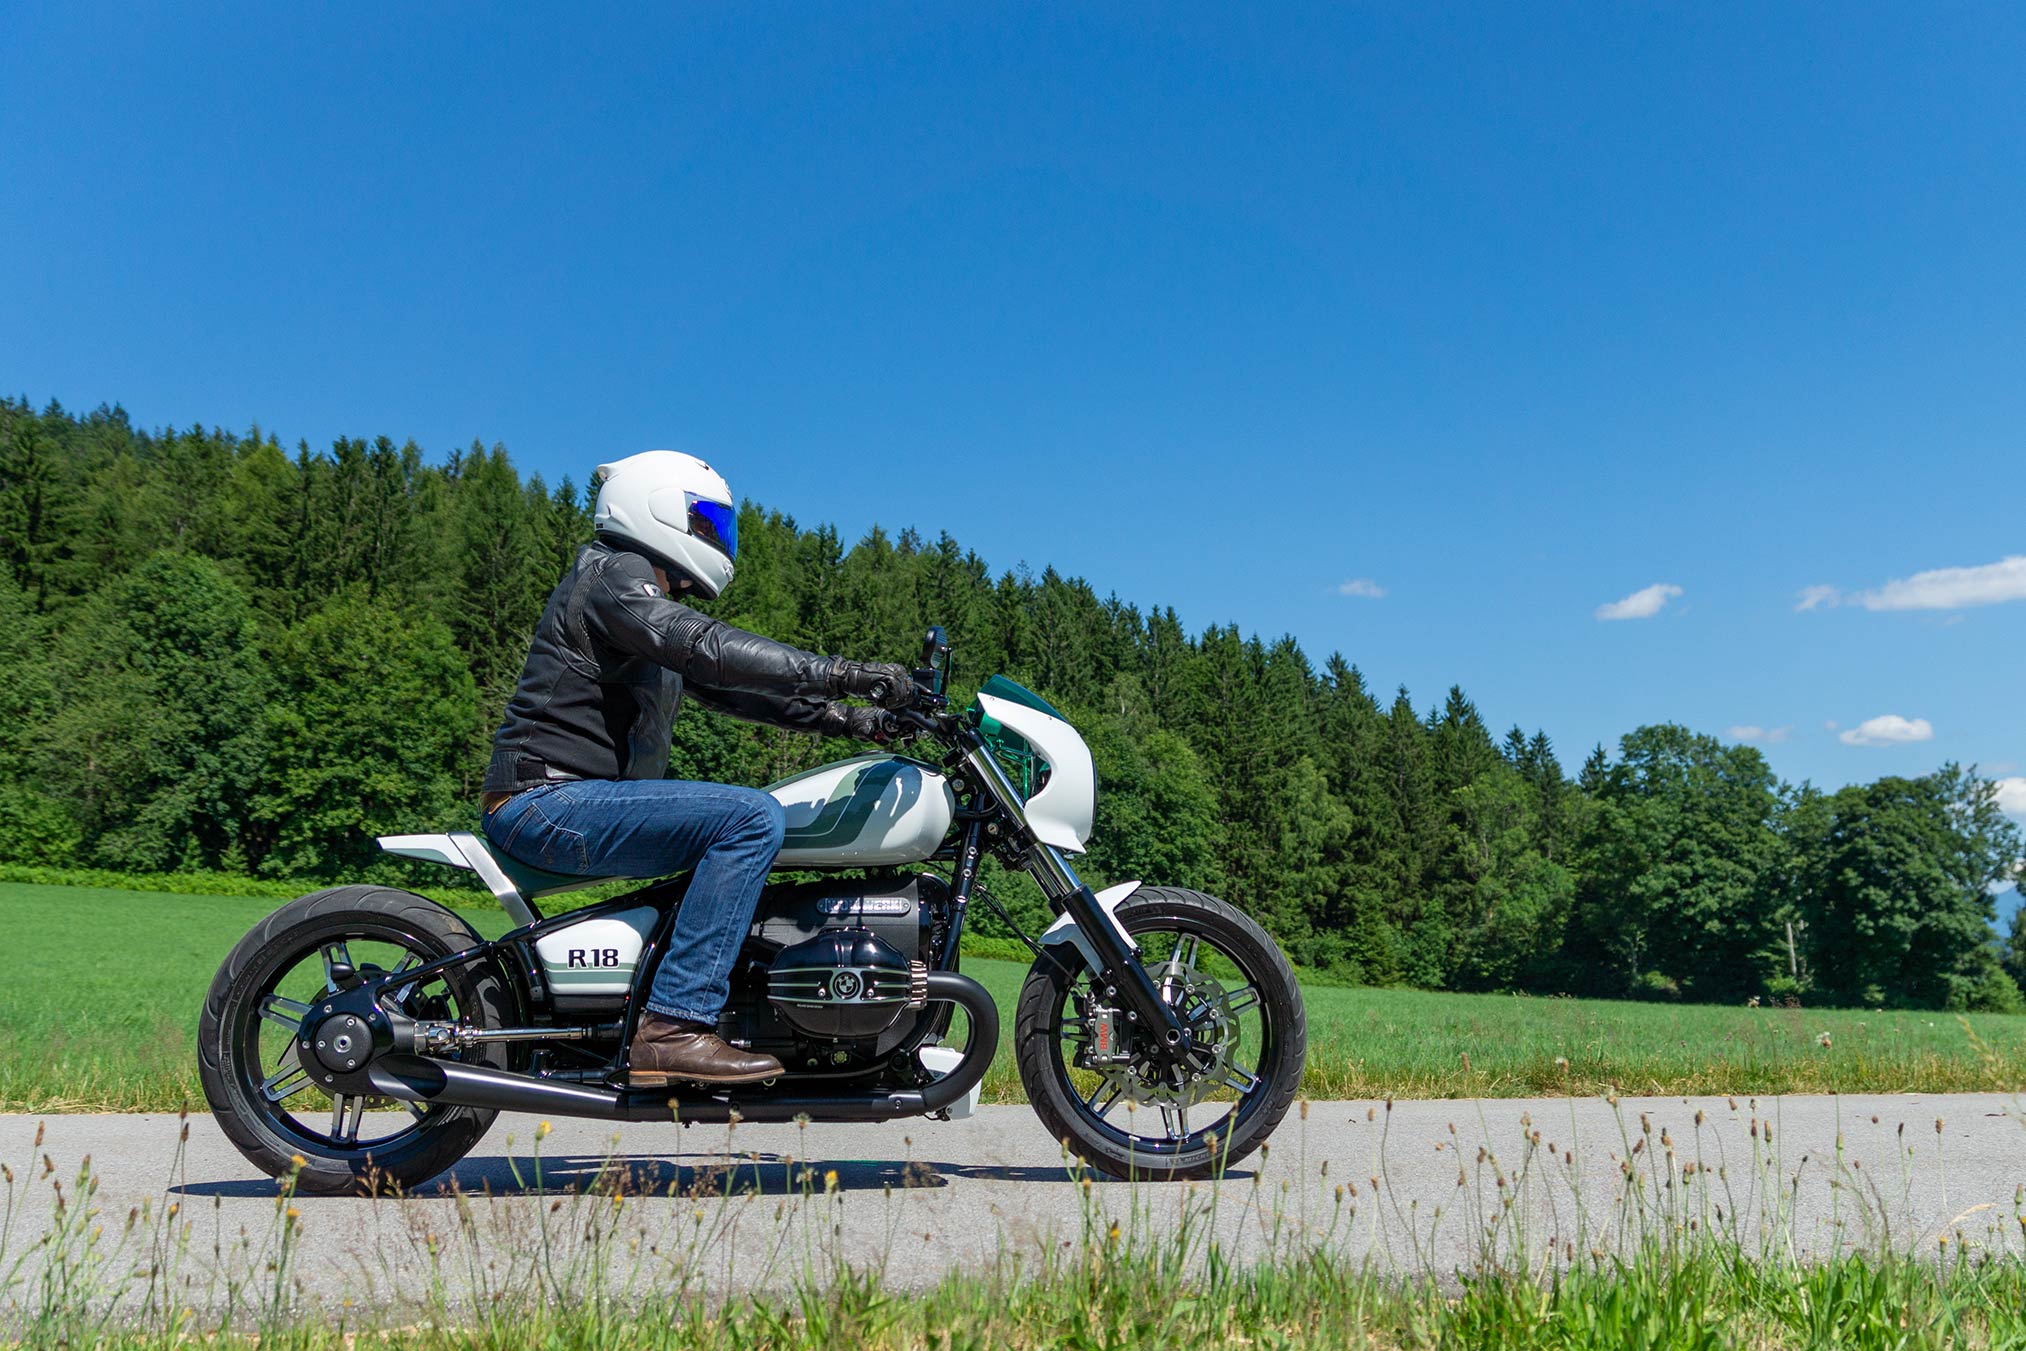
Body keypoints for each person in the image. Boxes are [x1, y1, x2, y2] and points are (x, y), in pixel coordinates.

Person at [479, 450, 914, 1086]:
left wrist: (854, 720)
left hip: (574, 803)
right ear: (654, 505)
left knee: (742, 827)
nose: (716, 536)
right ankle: (674, 1026)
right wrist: (841, 673)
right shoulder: (612, 575)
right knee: (749, 818)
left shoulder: (634, 600)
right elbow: (705, 648)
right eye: (705, 520)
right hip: (546, 802)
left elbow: (734, 689)